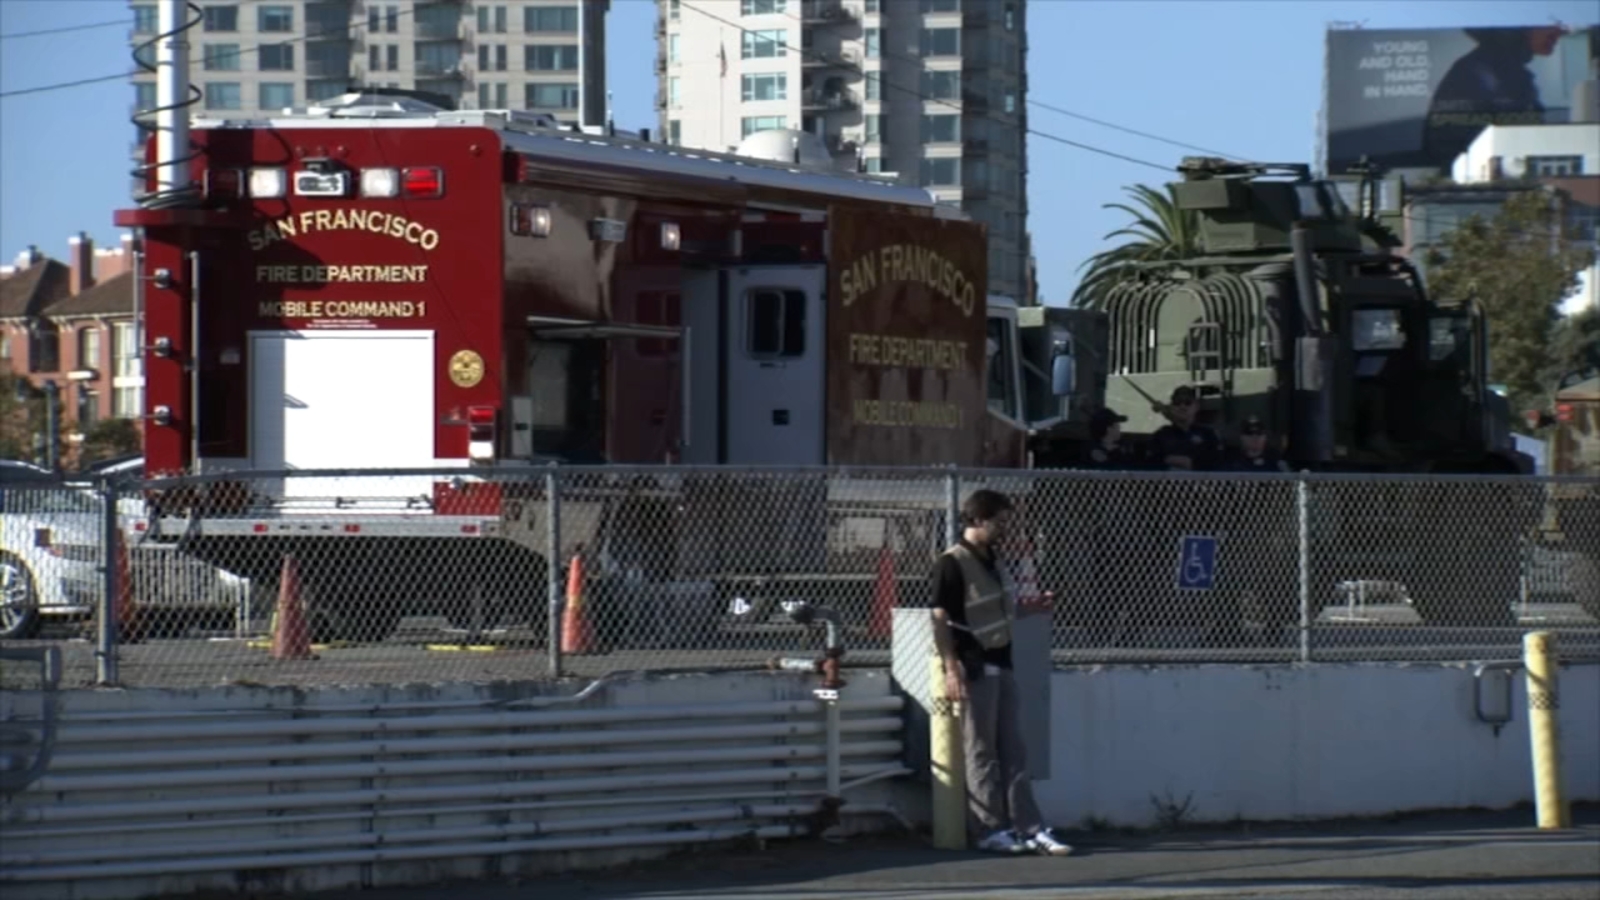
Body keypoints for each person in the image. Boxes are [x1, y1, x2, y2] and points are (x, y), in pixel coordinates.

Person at [925, 489, 1074, 857]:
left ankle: (1030, 828)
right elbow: (940, 617)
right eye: (1000, 521)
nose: (1005, 528)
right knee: (981, 751)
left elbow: (996, 609)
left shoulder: (993, 558)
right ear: (978, 520)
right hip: (974, 664)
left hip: (1002, 660)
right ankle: (990, 829)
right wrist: (951, 666)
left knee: (1014, 750)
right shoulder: (952, 562)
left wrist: (1030, 607)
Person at [1148, 386, 1223, 471]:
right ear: (1171, 407)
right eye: (1177, 403)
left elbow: (1217, 463)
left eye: (1188, 403)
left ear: (1196, 406)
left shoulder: (1208, 434)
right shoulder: (1160, 435)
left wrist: (1191, 463)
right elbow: (1151, 464)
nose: (1182, 407)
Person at [1220, 415, 1291, 473]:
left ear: (1265, 437)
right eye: (1249, 433)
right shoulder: (1231, 464)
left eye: (1259, 433)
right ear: (1242, 437)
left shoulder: (1277, 463)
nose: (1255, 437)